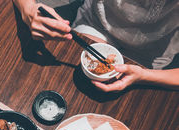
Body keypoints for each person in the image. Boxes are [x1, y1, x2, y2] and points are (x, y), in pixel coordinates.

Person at [13, 0, 179, 91]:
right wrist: (28, 9)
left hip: (151, 54)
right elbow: (27, 6)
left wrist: (144, 76)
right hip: (98, 23)